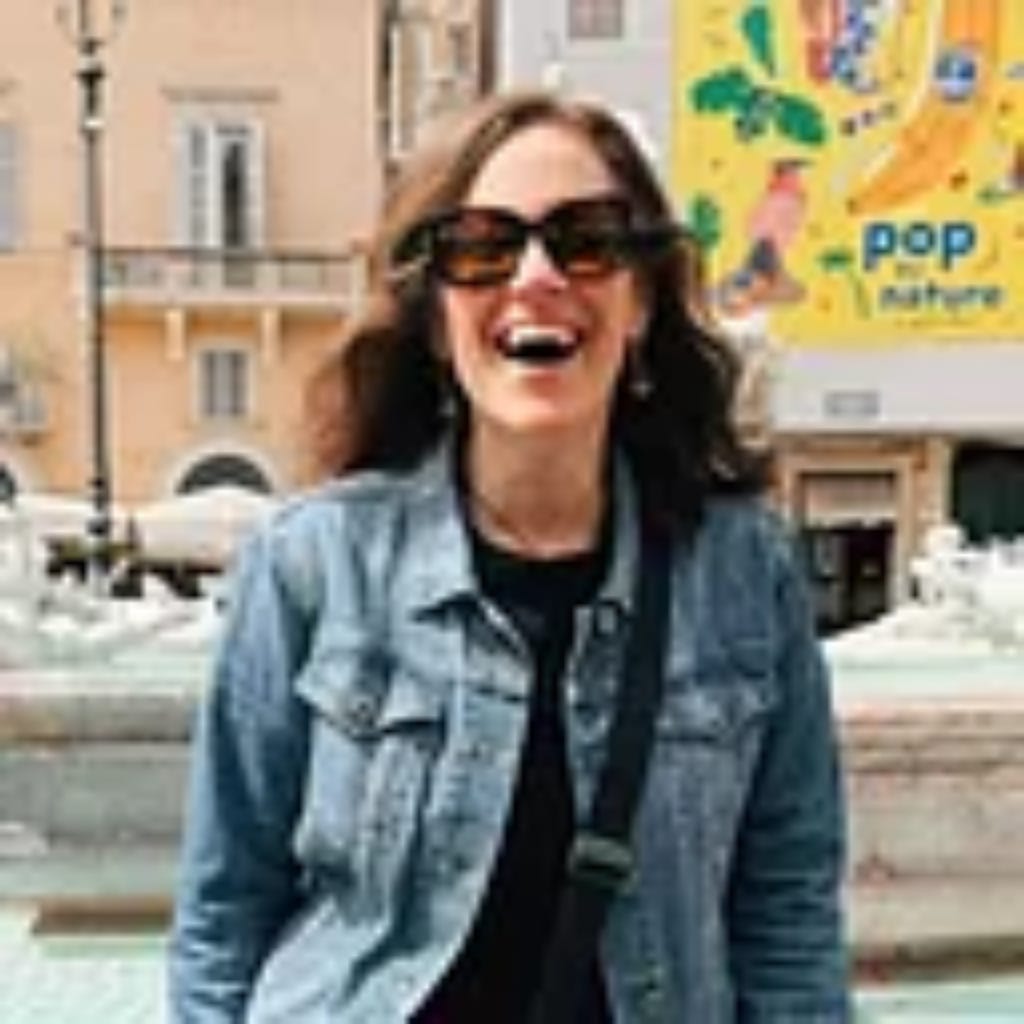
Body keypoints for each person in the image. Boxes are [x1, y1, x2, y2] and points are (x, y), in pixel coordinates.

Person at [169, 90, 851, 1022]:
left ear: (641, 300)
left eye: (587, 241)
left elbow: (788, 922)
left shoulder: (744, 575)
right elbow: (223, 914)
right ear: (434, 316)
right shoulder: (314, 565)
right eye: (481, 248)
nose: (536, 276)